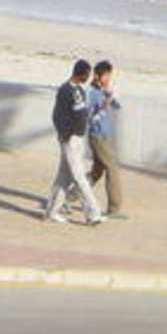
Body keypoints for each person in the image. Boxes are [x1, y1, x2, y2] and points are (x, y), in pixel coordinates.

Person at [43, 58, 103, 226]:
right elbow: (57, 115)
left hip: (77, 139)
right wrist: (65, 134)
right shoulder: (65, 90)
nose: (88, 77)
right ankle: (93, 214)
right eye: (87, 74)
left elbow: (82, 114)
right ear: (81, 74)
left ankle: (51, 212)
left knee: (64, 176)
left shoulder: (80, 91)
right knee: (79, 176)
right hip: (69, 139)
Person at [84, 59, 125, 219]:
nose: (108, 78)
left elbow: (117, 106)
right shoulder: (91, 93)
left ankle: (72, 194)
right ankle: (114, 208)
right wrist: (103, 106)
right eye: (106, 75)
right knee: (112, 168)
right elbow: (89, 117)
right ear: (98, 76)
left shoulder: (103, 91)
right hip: (97, 136)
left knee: (97, 171)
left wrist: (110, 94)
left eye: (109, 75)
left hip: (104, 136)